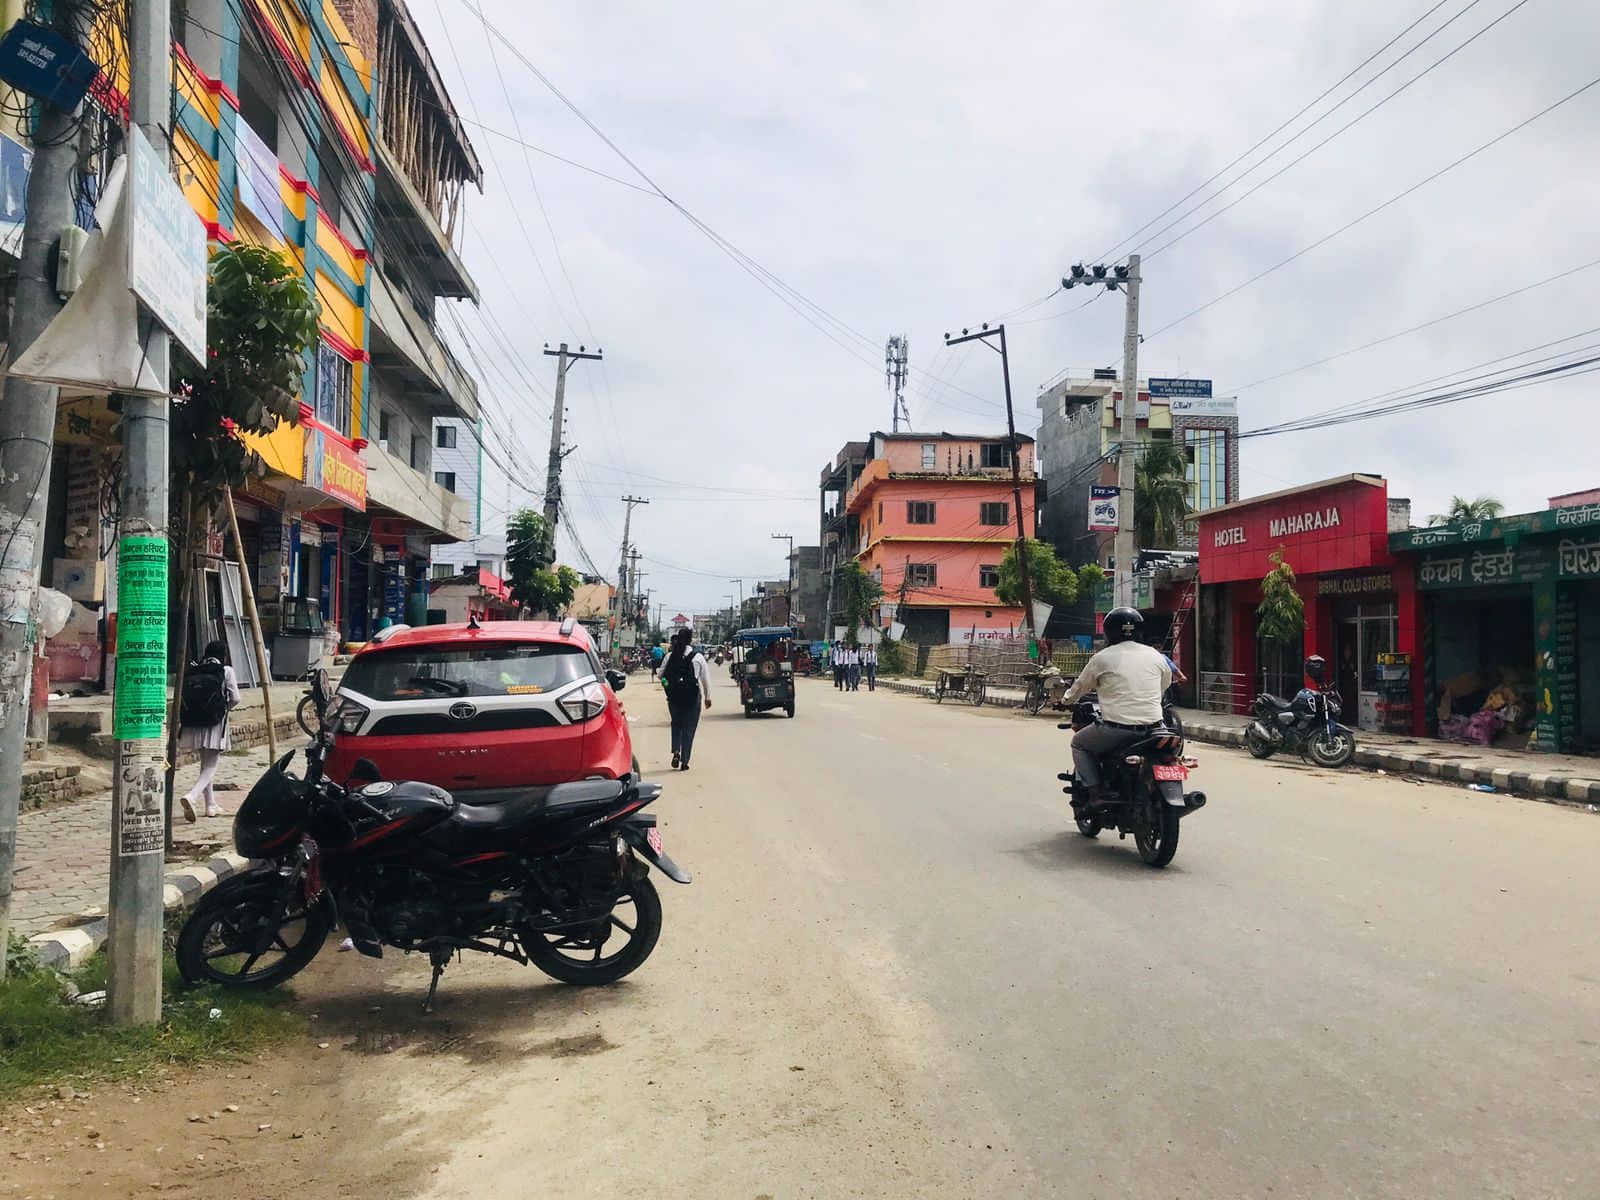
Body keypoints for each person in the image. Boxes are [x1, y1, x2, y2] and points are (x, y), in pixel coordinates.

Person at [1060, 608, 1171, 809]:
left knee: (1079, 743)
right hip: (1156, 728)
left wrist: (1065, 700)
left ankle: (1095, 794)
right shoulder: (1156, 655)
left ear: (1109, 631)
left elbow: (1080, 687)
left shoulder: (1102, 658)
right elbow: (1164, 685)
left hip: (1117, 730)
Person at [178, 638, 241, 821]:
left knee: (205, 765)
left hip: (194, 722)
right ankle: (192, 796)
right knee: (211, 765)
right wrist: (224, 708)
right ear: (223, 655)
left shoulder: (195, 670)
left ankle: (210, 805)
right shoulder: (226, 671)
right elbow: (236, 698)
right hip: (215, 723)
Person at [660, 628, 711, 770]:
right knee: (689, 728)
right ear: (690, 639)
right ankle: (685, 761)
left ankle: (676, 750)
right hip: (692, 697)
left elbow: (660, 675)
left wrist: (669, 686)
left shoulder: (670, 656)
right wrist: (707, 697)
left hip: (674, 697)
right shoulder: (698, 657)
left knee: (676, 724)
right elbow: (705, 679)